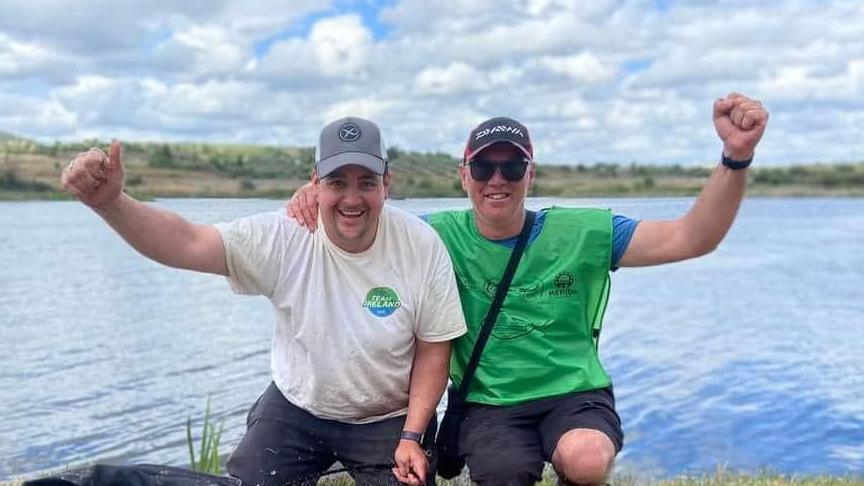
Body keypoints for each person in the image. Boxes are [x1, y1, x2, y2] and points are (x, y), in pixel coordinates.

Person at [287, 93, 769, 485]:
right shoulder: (433, 236)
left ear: (530, 174)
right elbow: (362, 226)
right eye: (483, 169)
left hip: (574, 392)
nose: (497, 180)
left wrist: (736, 156)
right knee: (502, 471)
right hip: (490, 401)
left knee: (586, 459)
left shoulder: (585, 232)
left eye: (512, 169)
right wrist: (320, 196)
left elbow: (692, 237)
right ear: (464, 177)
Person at [60, 116, 467, 486]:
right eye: (337, 182)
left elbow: (434, 348)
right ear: (316, 182)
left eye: (366, 182)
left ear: (386, 185)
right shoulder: (286, 234)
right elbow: (187, 241)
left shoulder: (420, 244)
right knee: (251, 479)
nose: (351, 199)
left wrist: (413, 435)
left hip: (389, 416)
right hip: (299, 406)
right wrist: (111, 204)